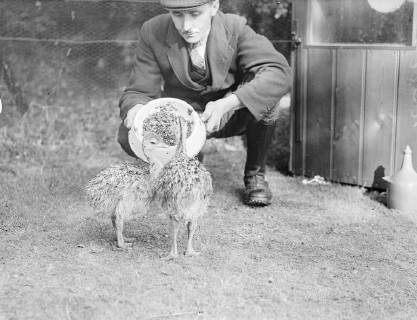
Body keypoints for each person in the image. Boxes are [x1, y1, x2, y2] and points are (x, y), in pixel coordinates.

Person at [118, 0, 292, 206]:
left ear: (214, 7)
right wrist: (137, 109)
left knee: (267, 101)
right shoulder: (153, 30)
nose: (186, 26)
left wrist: (229, 103)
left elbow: (278, 72)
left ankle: (255, 175)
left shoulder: (235, 27)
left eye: (195, 13)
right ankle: (188, 163)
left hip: (228, 114)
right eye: (177, 15)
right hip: (181, 121)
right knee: (126, 135)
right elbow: (139, 90)